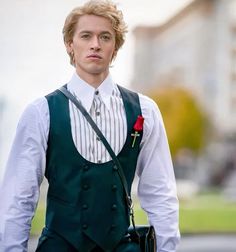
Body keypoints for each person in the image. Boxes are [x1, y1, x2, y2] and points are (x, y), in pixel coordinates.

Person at [0, 0, 180, 251]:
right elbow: (19, 198)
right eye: (86, 36)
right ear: (69, 45)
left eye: (105, 37)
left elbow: (161, 192)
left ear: (115, 47)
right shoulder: (40, 113)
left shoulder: (145, 110)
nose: (95, 44)